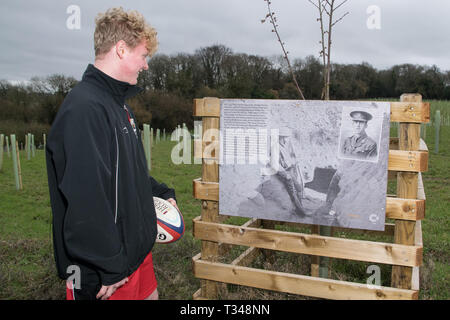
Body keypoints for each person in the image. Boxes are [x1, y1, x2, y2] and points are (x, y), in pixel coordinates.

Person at [45, 7, 177, 300]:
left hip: (136, 255)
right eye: (143, 56)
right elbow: (84, 197)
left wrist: (161, 192)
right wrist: (108, 266)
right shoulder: (84, 108)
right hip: (107, 273)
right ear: (120, 50)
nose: (145, 65)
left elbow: (124, 174)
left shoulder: (119, 105)